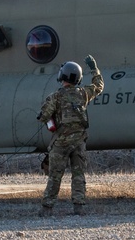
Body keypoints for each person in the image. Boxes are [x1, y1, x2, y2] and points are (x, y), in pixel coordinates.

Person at [37, 55, 103, 216]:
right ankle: (79, 207)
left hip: (61, 142)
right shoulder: (84, 93)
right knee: (78, 175)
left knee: (55, 176)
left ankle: (47, 208)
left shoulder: (55, 96)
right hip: (79, 141)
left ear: (62, 76)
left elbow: (44, 116)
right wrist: (94, 68)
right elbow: (99, 86)